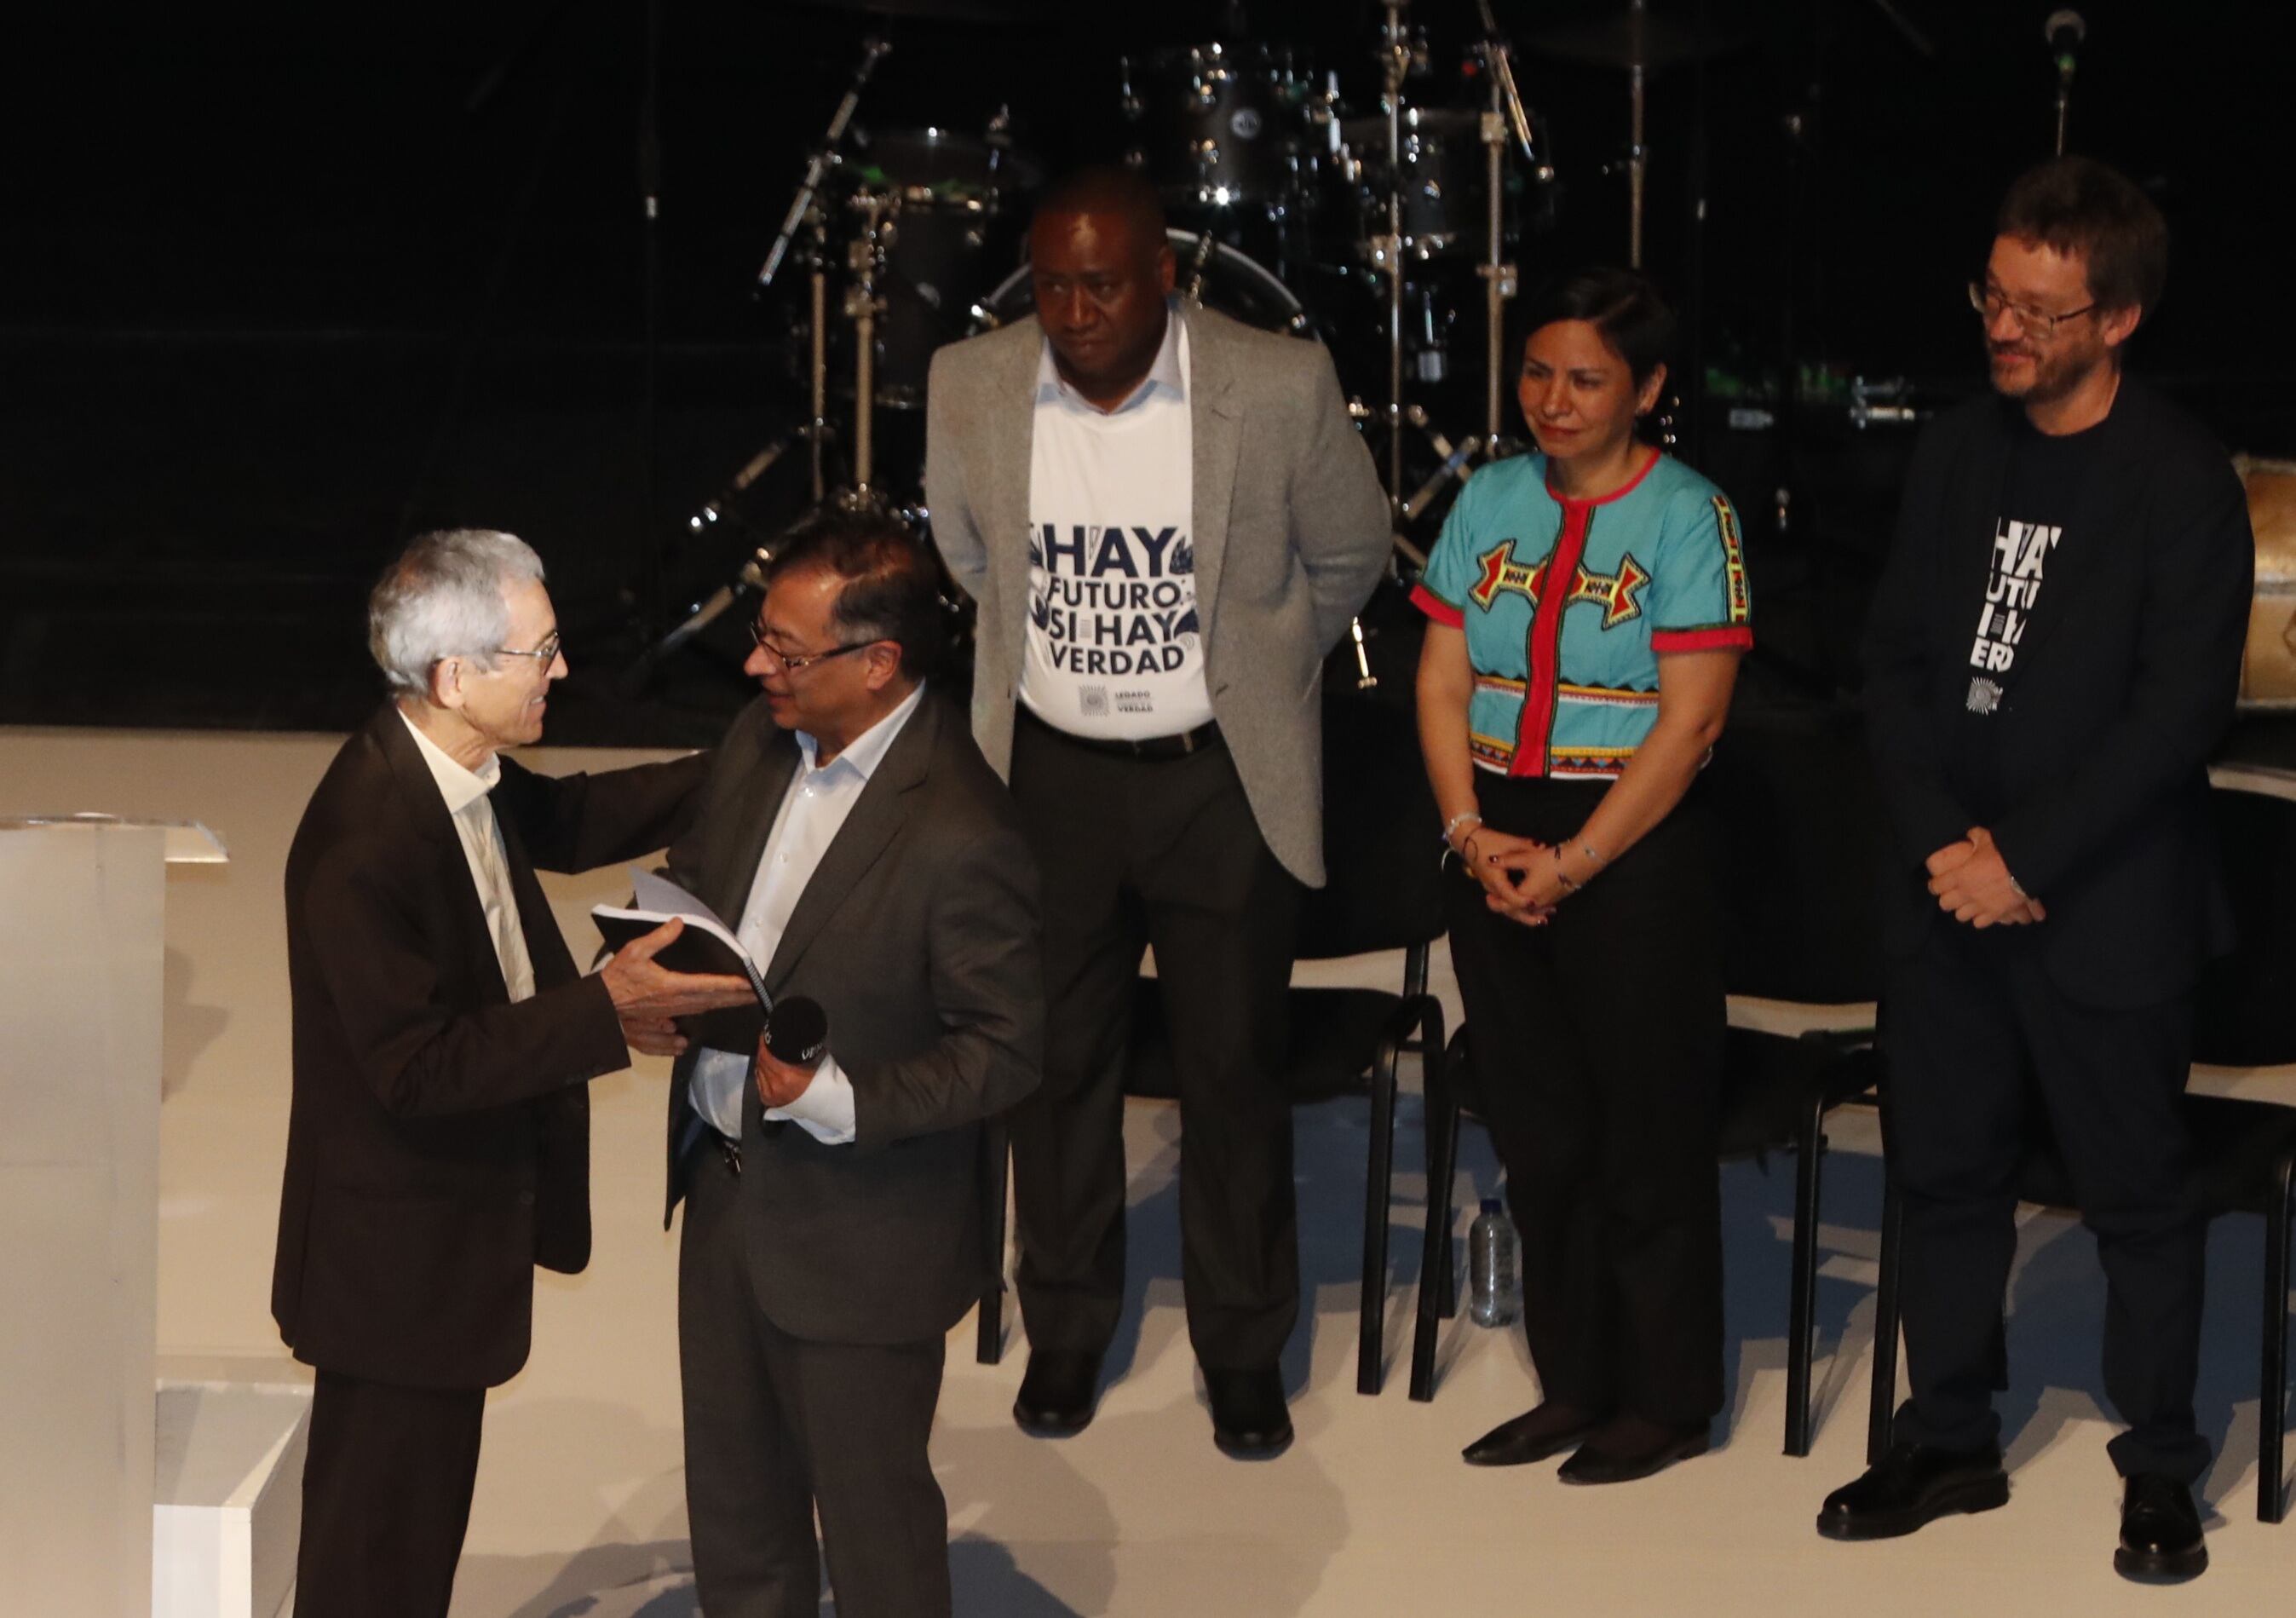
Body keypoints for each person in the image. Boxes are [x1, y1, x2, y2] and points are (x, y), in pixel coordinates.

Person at [1821, 157, 2253, 1581]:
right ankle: (1947, 1432)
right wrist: (1950, 844)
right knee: (1943, 1173)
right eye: (1993, 297)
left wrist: (2025, 853)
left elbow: (2177, 714)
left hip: (2102, 905)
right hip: (1946, 895)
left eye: (2040, 310)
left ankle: (2163, 1463)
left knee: (2137, 1197)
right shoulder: (1957, 449)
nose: (2004, 328)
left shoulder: (2183, 482)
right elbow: (1889, 666)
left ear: (2117, 317)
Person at [924, 164, 1390, 1456]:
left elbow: (1351, 549)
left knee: (1230, 1070)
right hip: (1048, 777)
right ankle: (1065, 1322)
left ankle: (1242, 1345)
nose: (1072, 311)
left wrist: (1258, 656)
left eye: (1102, 283)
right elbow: (970, 558)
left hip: (1215, 778)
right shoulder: (972, 382)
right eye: (1053, 284)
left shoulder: (1276, 383)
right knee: (1052, 1063)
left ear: (1163, 277)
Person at [273, 528, 754, 1618]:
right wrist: (603, 1009)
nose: (563, 670)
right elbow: (415, 1069)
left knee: (412, 1543)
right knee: (372, 1558)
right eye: (539, 651)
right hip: (393, 1263)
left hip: (441, 1240)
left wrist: (742, 771)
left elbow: (575, 819)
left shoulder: (460, 768)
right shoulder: (363, 842)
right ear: (455, 676)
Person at [659, 511, 1043, 1617]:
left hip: (864, 1230)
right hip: (727, 1193)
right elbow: (697, 875)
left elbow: (1009, 1045)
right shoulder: (755, 739)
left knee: (873, 1534)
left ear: (878, 664)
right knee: (735, 1513)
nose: (754, 665)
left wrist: (839, 1100)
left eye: (784, 649)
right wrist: (650, 963)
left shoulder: (964, 831)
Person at [1411, 268, 1752, 1484]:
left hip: (1634, 846)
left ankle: (1664, 1395)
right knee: (1540, 1131)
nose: (1552, 401)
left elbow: (1691, 721)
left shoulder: (1688, 516)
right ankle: (1576, 1380)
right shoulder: (1487, 495)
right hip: (1491, 834)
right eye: (1537, 373)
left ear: (1649, 390)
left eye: (1586, 379)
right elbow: (1440, 677)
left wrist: (1573, 858)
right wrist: (1468, 832)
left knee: (1642, 1133)